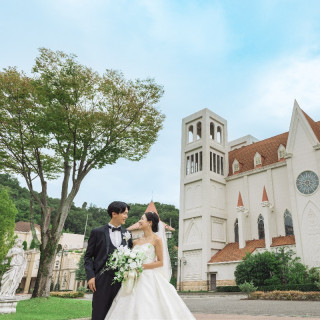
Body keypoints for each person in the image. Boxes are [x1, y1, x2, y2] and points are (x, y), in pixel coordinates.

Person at [105, 211, 195, 320]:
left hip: (148, 277)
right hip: (133, 277)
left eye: (142, 219)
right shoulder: (136, 242)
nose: (139, 221)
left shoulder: (157, 239)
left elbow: (160, 262)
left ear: (149, 222)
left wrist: (141, 266)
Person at [84, 201, 133, 320]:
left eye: (127, 213)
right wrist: (91, 276)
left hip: (122, 280)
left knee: (119, 313)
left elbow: (130, 255)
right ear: (114, 213)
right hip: (101, 279)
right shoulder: (97, 232)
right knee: (99, 313)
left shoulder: (128, 233)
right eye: (124, 213)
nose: (126, 216)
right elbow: (88, 257)